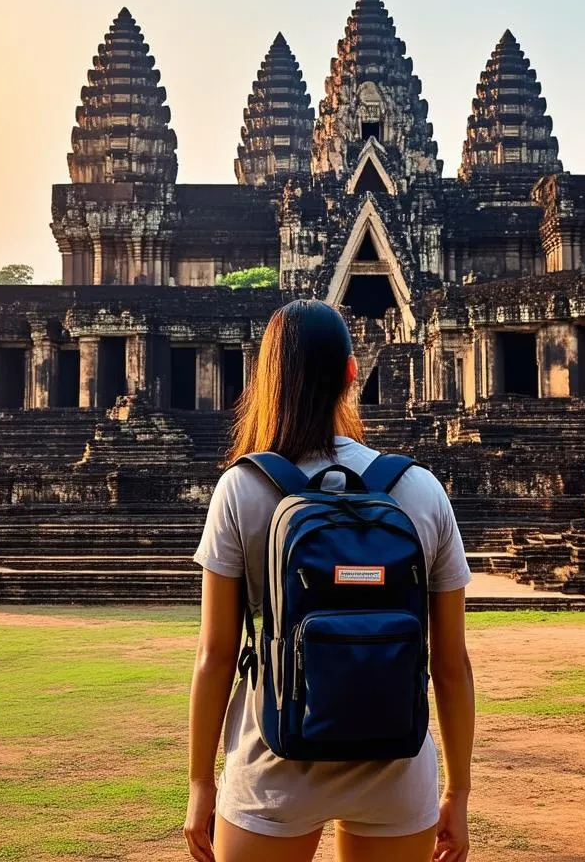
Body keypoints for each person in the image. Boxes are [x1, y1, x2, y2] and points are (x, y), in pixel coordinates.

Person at [185, 300, 475, 862]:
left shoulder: (243, 489)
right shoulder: (419, 488)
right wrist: (457, 792)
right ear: (352, 373)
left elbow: (216, 655)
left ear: (267, 377)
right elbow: (450, 662)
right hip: (395, 762)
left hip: (274, 755)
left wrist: (200, 783)